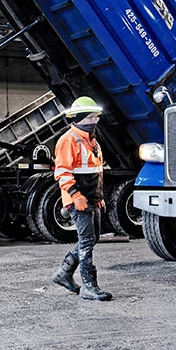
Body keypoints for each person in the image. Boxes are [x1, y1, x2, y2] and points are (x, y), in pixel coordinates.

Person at [49, 96, 112, 301]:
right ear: (81, 118)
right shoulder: (68, 141)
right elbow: (63, 173)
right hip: (78, 199)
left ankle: (63, 273)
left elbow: (96, 172)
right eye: (92, 116)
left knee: (92, 238)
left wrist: (98, 197)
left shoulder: (92, 142)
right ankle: (89, 287)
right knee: (86, 241)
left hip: (91, 198)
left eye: (96, 116)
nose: (96, 120)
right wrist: (76, 196)